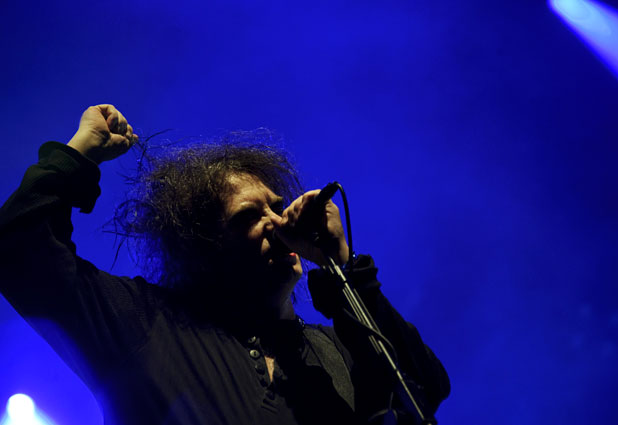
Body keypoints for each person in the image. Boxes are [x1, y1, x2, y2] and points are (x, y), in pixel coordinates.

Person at [0, 105, 450, 424]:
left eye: (278, 207)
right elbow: (19, 250)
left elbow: (425, 386)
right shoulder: (146, 323)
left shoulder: (334, 351)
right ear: (204, 248)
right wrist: (80, 153)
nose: (278, 223)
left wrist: (342, 265)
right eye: (249, 216)